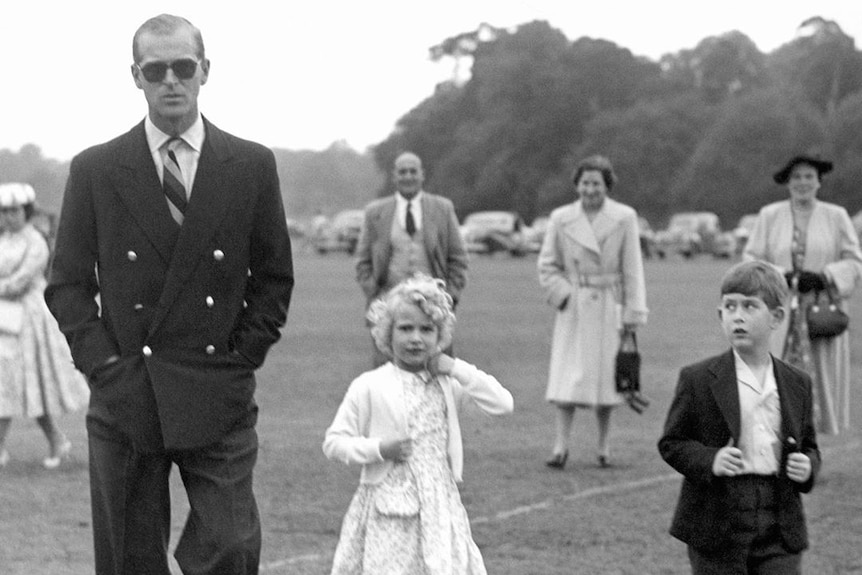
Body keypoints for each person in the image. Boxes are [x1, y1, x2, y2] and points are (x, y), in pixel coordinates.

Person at [44, 14, 294, 574]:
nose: (171, 81)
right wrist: (104, 365)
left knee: (231, 546)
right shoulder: (96, 169)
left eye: (183, 67)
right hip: (128, 392)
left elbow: (274, 277)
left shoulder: (250, 165)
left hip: (217, 389)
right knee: (130, 559)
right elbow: (68, 284)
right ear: (135, 76)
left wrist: (241, 358)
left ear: (205, 70)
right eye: (156, 70)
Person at [323, 274, 513, 574]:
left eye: (427, 329)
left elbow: (503, 404)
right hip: (386, 507)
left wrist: (456, 368)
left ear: (440, 336)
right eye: (405, 328)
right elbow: (335, 443)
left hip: (438, 504)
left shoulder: (447, 385)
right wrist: (379, 449)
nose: (416, 338)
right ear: (388, 332)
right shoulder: (370, 385)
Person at [658, 260, 820, 574]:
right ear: (720, 315)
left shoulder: (797, 382)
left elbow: (809, 445)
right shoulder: (698, 378)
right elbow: (672, 443)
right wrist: (710, 459)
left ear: (776, 317)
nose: (738, 316)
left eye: (749, 306)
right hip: (718, 525)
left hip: (779, 525)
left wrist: (808, 465)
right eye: (730, 307)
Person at [537, 154, 648, 469]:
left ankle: (603, 447)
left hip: (608, 307)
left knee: (608, 381)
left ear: (607, 185)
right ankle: (560, 446)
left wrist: (632, 313)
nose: (590, 190)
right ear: (576, 184)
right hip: (575, 306)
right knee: (566, 379)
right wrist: (565, 295)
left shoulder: (624, 217)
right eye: (584, 183)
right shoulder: (561, 218)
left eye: (596, 183)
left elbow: (632, 269)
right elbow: (547, 264)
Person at [743, 153, 862, 435]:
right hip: (777, 311)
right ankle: (776, 445)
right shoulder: (769, 215)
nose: (803, 183)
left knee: (818, 381)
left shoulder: (836, 216)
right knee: (773, 377)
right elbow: (750, 257)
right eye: (797, 177)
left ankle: (810, 449)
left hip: (819, 313)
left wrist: (825, 276)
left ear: (819, 182)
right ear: (787, 182)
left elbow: (855, 261)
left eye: (809, 176)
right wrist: (776, 274)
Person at [0, 183, 88, 469]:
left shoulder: (35, 240)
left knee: (30, 382)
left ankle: (57, 440)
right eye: (3, 212)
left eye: (13, 211)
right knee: (4, 383)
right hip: (4, 317)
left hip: (30, 319)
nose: (8, 217)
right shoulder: (4, 240)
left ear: (25, 211)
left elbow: (22, 279)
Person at [355, 151, 468, 366]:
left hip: (433, 308)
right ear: (394, 175)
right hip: (388, 307)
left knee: (437, 372)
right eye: (402, 172)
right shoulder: (375, 212)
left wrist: (449, 297)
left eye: (413, 171)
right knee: (385, 375)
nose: (408, 176)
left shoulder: (442, 209)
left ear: (422, 174)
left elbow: (459, 258)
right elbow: (362, 261)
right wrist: (375, 293)